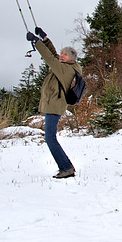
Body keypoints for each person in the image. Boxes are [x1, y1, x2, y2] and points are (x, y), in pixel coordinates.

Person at [26, 27, 81, 179]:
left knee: (50, 138)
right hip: (54, 104)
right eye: (61, 53)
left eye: (64, 54)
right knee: (50, 137)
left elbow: (49, 58)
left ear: (71, 58)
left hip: (55, 105)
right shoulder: (66, 65)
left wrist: (36, 43)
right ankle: (67, 166)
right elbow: (53, 54)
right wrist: (44, 39)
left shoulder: (66, 70)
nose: (61, 56)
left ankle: (66, 168)